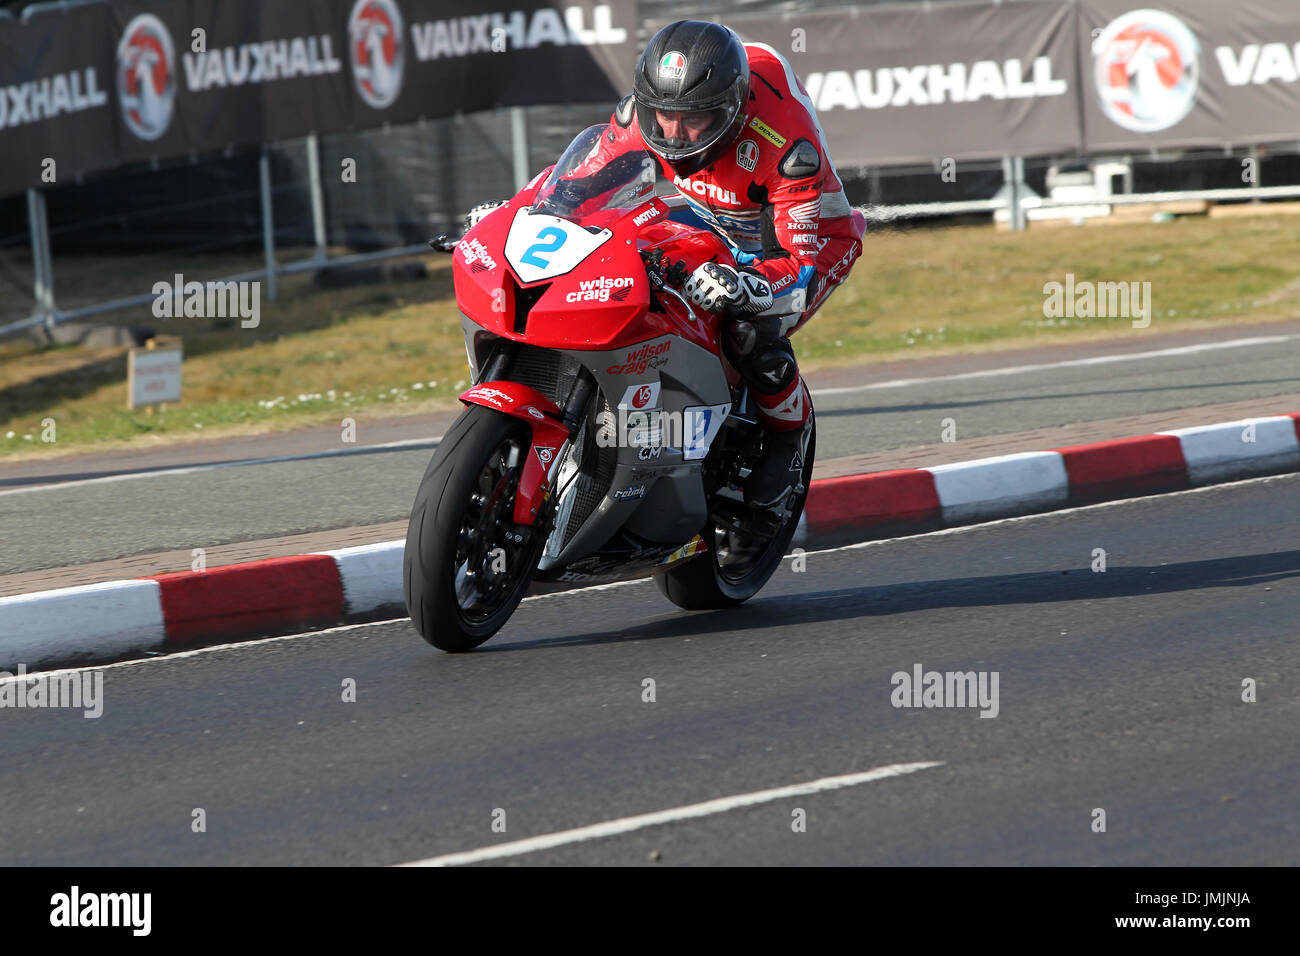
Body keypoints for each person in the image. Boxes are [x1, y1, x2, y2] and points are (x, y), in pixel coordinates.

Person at [469, 19, 866, 510]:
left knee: (747, 330)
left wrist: (745, 288)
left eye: (693, 119)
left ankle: (789, 439)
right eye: (663, 116)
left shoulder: (785, 147)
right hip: (711, 219)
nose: (673, 134)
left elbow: (797, 269)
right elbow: (577, 188)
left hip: (806, 243)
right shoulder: (642, 116)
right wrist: (519, 217)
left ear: (730, 109)